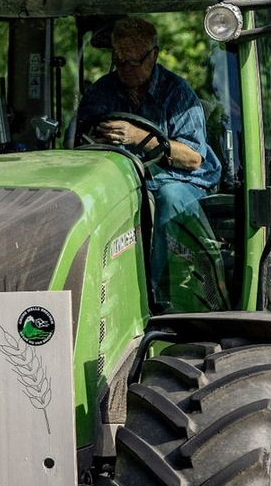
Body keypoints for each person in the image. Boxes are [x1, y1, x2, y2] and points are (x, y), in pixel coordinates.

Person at [76, 17, 220, 300]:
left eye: (134, 61)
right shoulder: (100, 92)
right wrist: (96, 138)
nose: (126, 69)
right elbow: (78, 142)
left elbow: (192, 158)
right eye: (119, 61)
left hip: (181, 180)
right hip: (124, 179)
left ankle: (166, 293)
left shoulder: (178, 94)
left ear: (153, 55)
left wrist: (138, 136)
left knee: (170, 196)